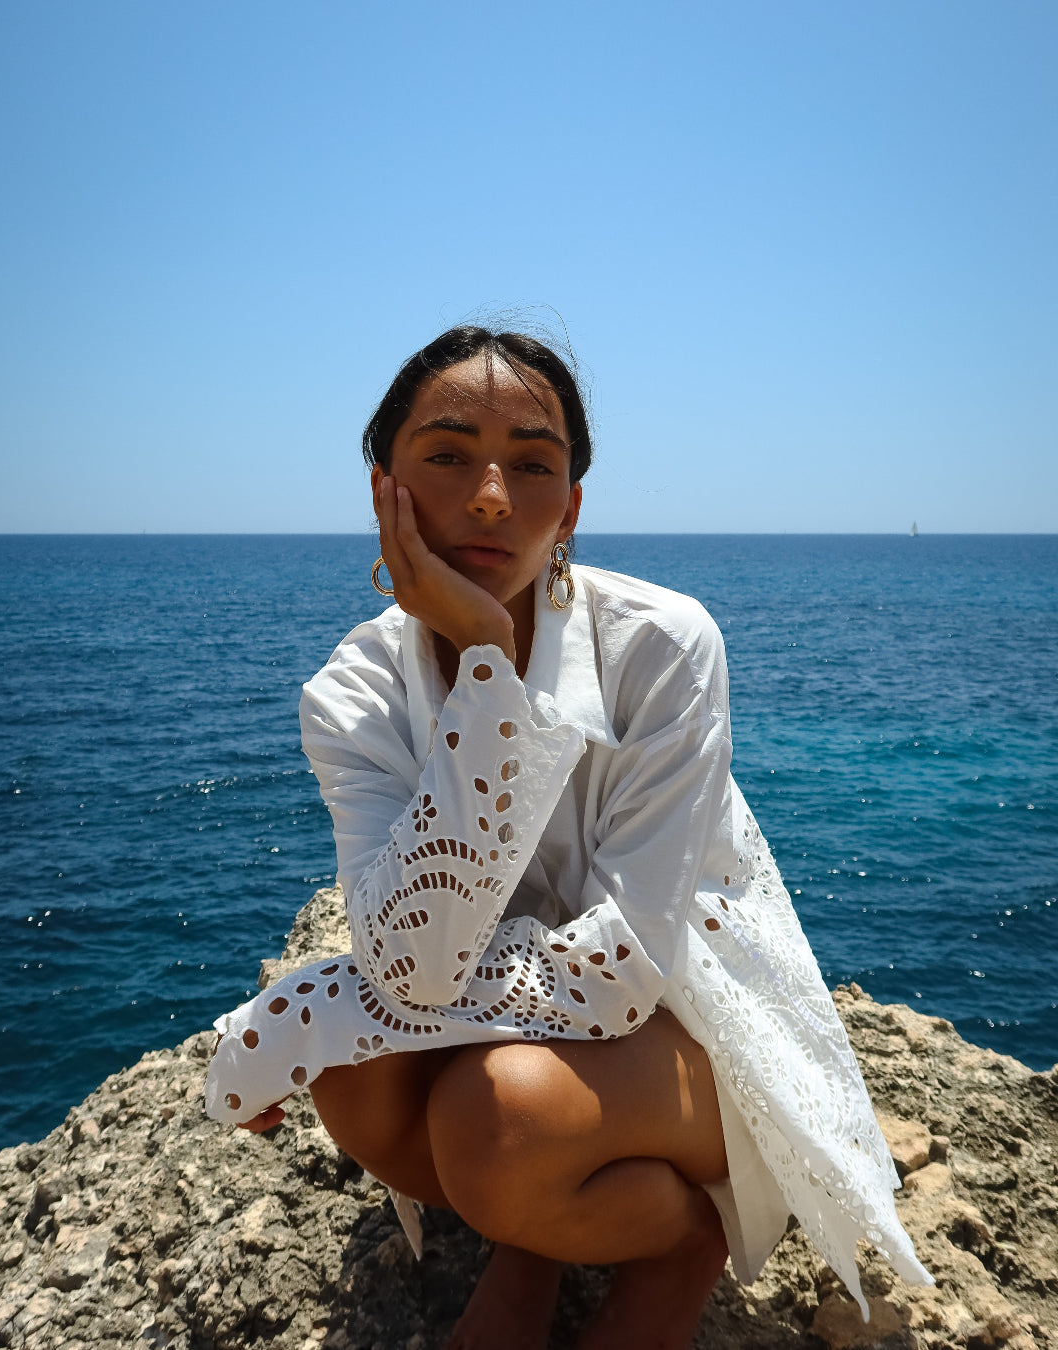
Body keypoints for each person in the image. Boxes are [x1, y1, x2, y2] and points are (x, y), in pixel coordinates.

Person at [206, 325, 931, 1350]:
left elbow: (618, 975)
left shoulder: (663, 645)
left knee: (496, 1113)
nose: (490, 496)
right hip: (518, 1023)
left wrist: (301, 1009)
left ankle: (678, 1242)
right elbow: (411, 965)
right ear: (385, 491)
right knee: (359, 1084)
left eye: (533, 465)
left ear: (573, 509)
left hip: (684, 1022)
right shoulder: (354, 695)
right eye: (448, 454)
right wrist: (485, 667)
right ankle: (535, 1235)